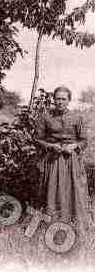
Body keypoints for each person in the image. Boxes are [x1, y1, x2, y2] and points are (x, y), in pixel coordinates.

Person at [35, 86, 93, 243]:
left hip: (71, 162)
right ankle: (51, 228)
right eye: (57, 98)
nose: (60, 102)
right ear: (53, 99)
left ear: (68, 100)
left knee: (73, 191)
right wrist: (50, 146)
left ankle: (75, 228)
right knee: (52, 192)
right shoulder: (46, 117)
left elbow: (84, 140)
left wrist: (75, 146)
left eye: (63, 99)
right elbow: (38, 139)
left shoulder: (76, 118)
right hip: (53, 160)